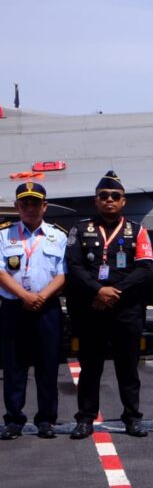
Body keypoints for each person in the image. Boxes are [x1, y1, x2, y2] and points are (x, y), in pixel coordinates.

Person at [65, 171, 153, 439]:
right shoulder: (80, 229)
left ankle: (132, 417)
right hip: (91, 308)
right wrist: (98, 290)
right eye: (104, 196)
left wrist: (114, 291)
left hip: (125, 309)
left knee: (127, 367)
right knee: (90, 367)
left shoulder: (137, 230)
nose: (109, 200)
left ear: (124, 201)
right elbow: (74, 266)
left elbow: (145, 267)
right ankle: (85, 419)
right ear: (96, 201)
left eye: (115, 196)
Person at [0, 182, 67, 440]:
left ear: (45, 206)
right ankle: (14, 419)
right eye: (24, 203)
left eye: (35, 203)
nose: (30, 208)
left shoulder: (58, 236)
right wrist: (25, 295)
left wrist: (41, 296)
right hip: (14, 306)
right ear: (17, 207)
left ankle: (46, 420)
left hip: (46, 306)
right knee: (14, 365)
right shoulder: (4, 235)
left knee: (47, 365)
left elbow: (63, 274)